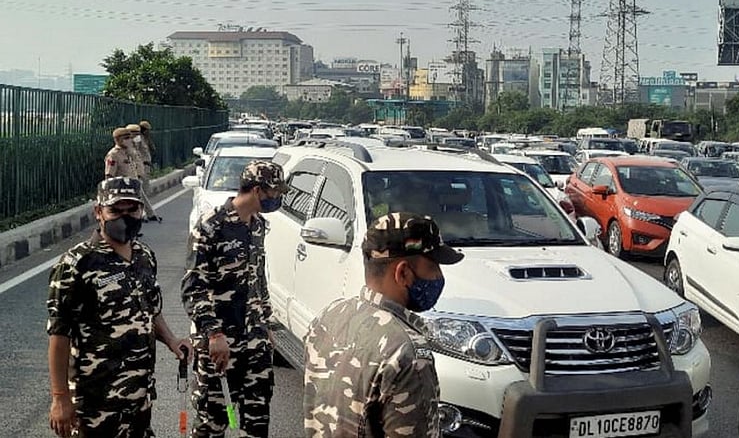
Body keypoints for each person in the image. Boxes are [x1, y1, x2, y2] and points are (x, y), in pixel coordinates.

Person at [47, 177, 191, 438]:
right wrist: (60, 398)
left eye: (132, 210)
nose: (124, 217)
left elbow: (150, 310)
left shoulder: (144, 256)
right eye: (115, 210)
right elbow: (59, 335)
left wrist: (171, 340)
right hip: (95, 402)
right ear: (98, 212)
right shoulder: (77, 264)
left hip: (139, 396)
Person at [303, 212, 464, 437]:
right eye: (435, 265)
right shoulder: (407, 352)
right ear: (404, 273)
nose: (438, 276)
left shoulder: (329, 317)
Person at [181, 160, 288, 438]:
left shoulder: (258, 226)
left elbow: (257, 278)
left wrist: (265, 325)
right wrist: (213, 333)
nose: (277, 199)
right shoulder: (210, 226)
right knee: (213, 421)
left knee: (257, 418)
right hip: (221, 343)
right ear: (256, 190)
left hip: (256, 342)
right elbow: (194, 286)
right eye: (274, 193)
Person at [126, 123, 161, 223]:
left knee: (143, 192)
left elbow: (150, 150)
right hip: (133, 172)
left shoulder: (138, 142)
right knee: (139, 194)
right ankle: (143, 214)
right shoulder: (127, 147)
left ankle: (147, 214)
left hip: (141, 169)